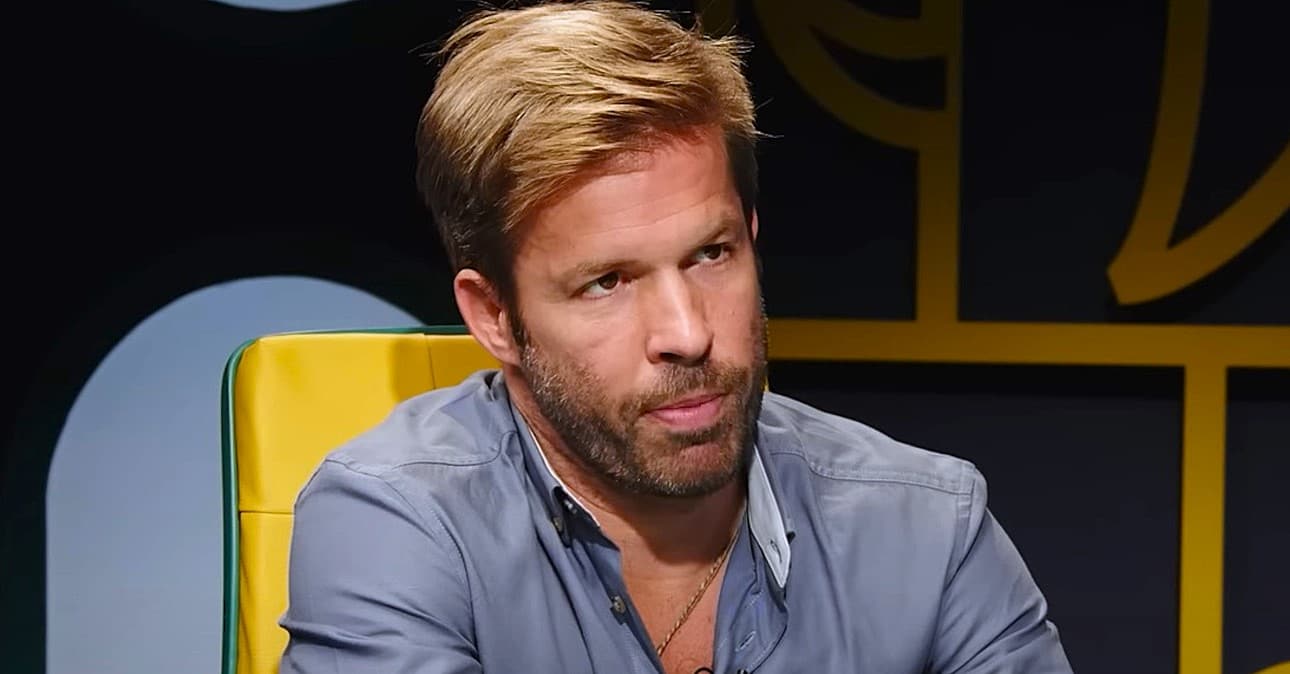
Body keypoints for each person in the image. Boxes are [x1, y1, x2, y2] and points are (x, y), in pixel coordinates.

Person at [279, 1, 1074, 672]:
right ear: (494, 317)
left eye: (710, 255)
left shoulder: (928, 528)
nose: (688, 334)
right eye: (607, 282)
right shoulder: (397, 521)